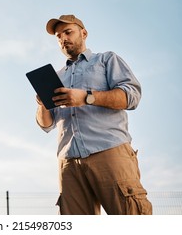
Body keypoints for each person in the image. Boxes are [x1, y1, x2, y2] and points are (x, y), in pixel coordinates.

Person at [36, 14, 152, 215]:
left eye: (68, 32)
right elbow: (46, 125)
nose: (63, 38)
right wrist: (42, 104)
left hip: (109, 152)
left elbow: (131, 96)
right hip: (69, 163)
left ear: (84, 33)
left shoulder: (106, 60)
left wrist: (86, 97)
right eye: (58, 36)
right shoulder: (58, 76)